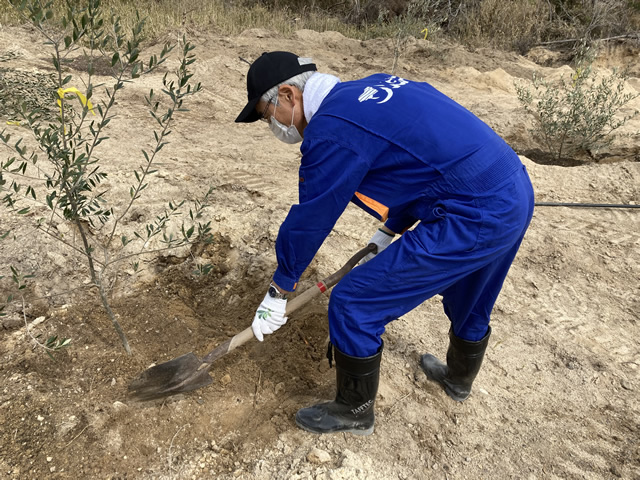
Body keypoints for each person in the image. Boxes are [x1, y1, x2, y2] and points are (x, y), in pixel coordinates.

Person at [235, 51, 534, 436]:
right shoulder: (368, 88)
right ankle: (458, 380)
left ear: (290, 96)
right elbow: (416, 162)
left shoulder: (332, 129)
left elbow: (313, 216)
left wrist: (280, 288)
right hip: (510, 188)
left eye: (265, 113)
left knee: (354, 301)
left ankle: (353, 410)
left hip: (474, 210)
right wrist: (389, 228)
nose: (270, 125)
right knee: (472, 295)